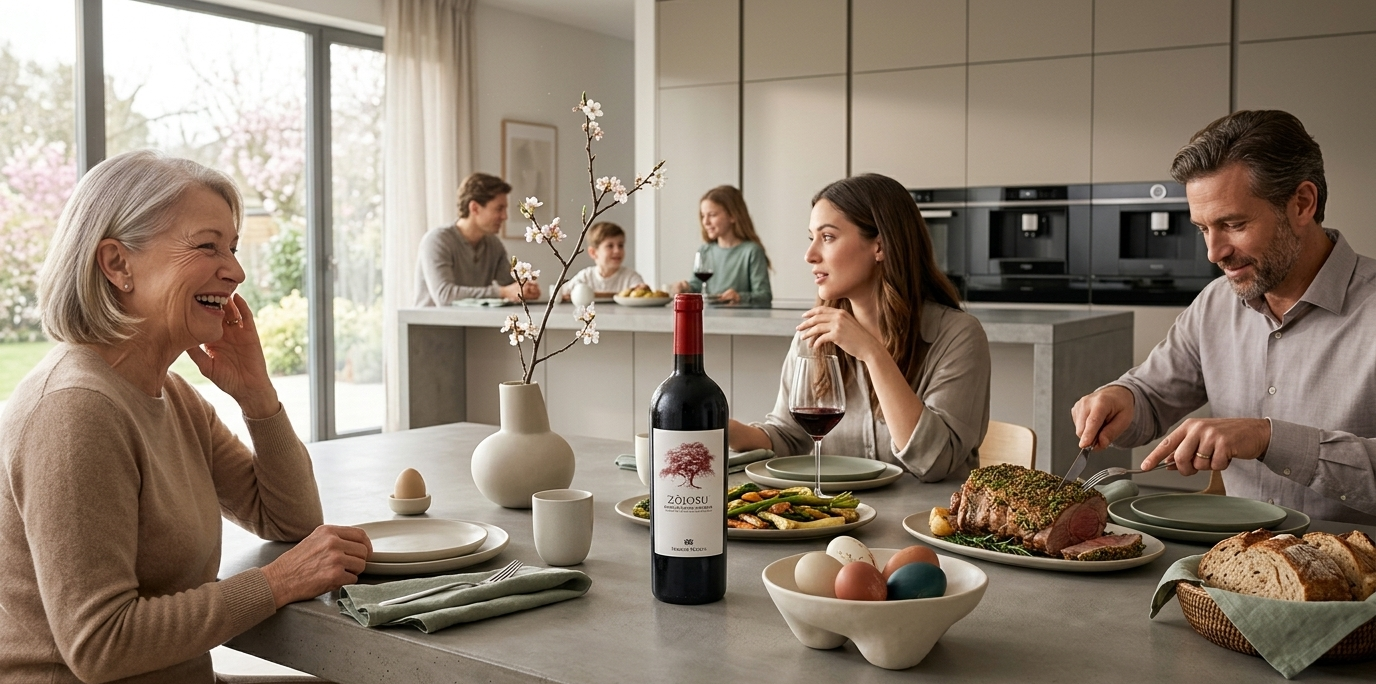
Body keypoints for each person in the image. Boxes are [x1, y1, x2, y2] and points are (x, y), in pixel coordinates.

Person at [0, 150, 372, 683]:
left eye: (234, 249)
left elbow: (289, 519)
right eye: (207, 246)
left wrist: (257, 396)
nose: (237, 271)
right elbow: (100, 644)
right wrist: (276, 583)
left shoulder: (171, 395)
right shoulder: (74, 409)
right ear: (117, 264)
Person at [1071, 110, 1376, 525]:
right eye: (1203, 229)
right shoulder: (1216, 304)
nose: (1214, 253)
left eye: (1233, 224)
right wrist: (1120, 398)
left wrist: (1269, 438)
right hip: (1234, 564)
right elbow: (1149, 396)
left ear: (1303, 203)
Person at [728, 174, 990, 482]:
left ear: (879, 246)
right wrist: (724, 428)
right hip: (837, 523)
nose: (810, 255)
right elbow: (788, 437)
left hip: (926, 524)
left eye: (827, 237)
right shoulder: (814, 333)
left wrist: (872, 353)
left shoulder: (958, 336)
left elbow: (933, 461)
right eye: (811, 238)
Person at [414, 173, 541, 306]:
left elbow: (512, 287)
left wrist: (526, 290)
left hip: (469, 324)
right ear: (474, 208)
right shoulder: (437, 241)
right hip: (431, 325)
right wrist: (502, 292)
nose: (504, 216)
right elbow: (445, 296)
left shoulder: (493, 245)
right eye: (499, 209)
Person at [670, 185, 772, 307]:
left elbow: (764, 296)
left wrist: (739, 297)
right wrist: (685, 288)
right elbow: (697, 286)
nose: (705, 222)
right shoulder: (705, 251)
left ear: (732, 216)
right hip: (708, 320)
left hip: (741, 322)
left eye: (712, 215)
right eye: (703, 216)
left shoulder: (751, 251)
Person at [557, 221, 645, 299]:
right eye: (610, 246)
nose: (617, 250)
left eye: (620, 245)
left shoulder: (631, 277)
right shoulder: (585, 277)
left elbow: (642, 293)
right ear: (593, 252)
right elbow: (561, 294)